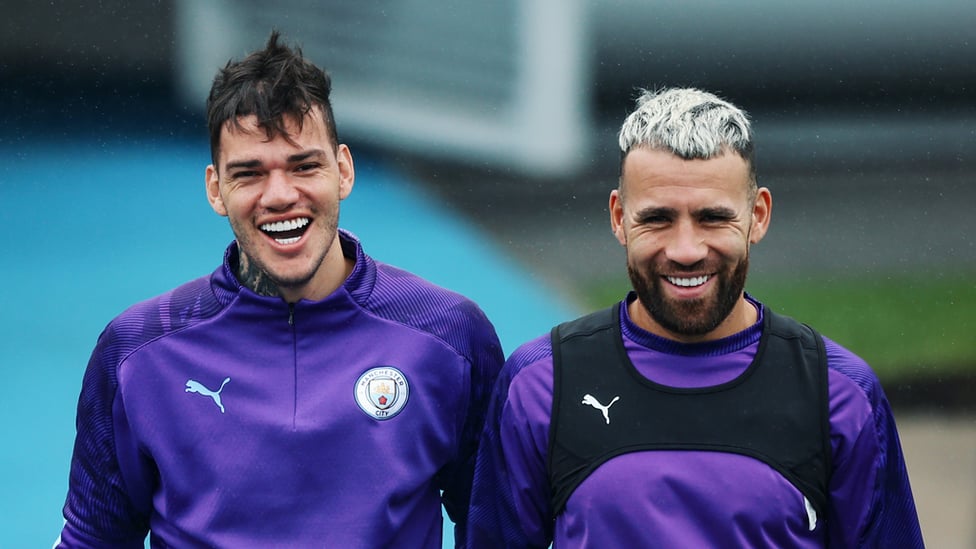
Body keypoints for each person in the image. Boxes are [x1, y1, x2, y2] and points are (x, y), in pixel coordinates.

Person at [56, 31, 503, 548]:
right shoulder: (136, 350)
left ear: (343, 170)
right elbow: (93, 539)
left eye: (304, 166)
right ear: (215, 189)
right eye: (249, 173)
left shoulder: (449, 336)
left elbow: (495, 531)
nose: (280, 195)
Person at [467, 87, 923, 548]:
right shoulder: (541, 384)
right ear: (619, 217)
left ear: (758, 216)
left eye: (712, 218)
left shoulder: (839, 395)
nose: (686, 250)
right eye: (658, 219)